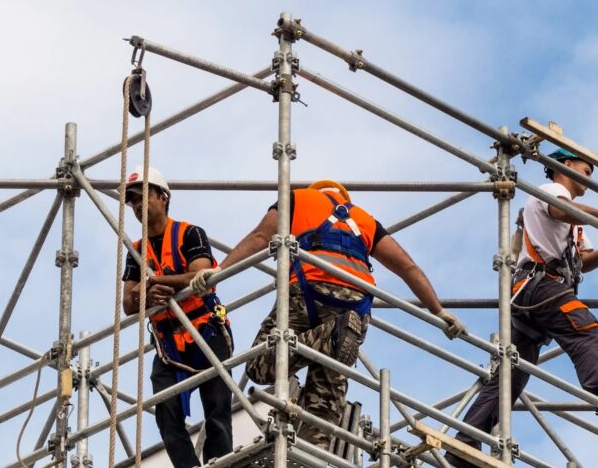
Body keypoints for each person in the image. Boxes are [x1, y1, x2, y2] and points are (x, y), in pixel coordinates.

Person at [196, 180, 466, 448]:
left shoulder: (298, 199)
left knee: (259, 365)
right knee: (327, 388)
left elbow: (260, 237)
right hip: (357, 306)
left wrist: (219, 272)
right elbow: (408, 267)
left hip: (308, 290)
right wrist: (439, 312)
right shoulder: (365, 220)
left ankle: (333, 335)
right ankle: (315, 451)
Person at [447, 148, 598, 468]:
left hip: (536, 292)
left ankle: (466, 442)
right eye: (584, 171)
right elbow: (562, 211)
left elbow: (584, 260)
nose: (587, 178)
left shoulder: (576, 222)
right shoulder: (552, 193)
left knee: (512, 375)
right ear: (564, 166)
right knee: (586, 329)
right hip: (540, 285)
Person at [121, 166, 234, 468]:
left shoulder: (189, 233)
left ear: (163, 196)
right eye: (131, 201)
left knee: (216, 407)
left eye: (142, 197)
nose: (137, 206)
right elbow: (128, 304)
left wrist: (161, 282)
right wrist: (146, 290)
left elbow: (202, 276)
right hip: (168, 341)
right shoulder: (136, 250)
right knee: (167, 412)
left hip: (205, 329)